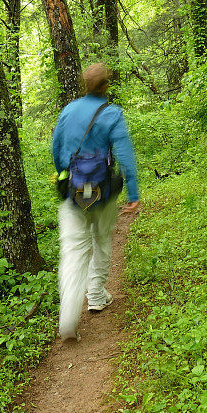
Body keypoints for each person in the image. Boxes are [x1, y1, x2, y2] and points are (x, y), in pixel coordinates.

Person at [52, 63, 140, 341]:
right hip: (102, 193)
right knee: (101, 241)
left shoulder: (68, 111)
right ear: (106, 87)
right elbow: (125, 156)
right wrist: (133, 193)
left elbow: (56, 150)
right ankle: (97, 296)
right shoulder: (112, 113)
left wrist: (66, 176)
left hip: (73, 193)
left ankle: (67, 320)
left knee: (73, 251)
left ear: (84, 85)